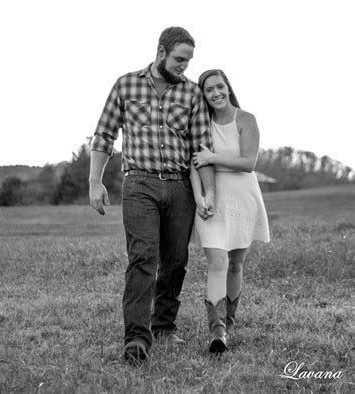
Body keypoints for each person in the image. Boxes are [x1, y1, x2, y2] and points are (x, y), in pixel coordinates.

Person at [89, 27, 215, 365]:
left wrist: (208, 192)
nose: (183, 66)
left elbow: (202, 147)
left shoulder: (191, 94)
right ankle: (136, 339)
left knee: (175, 262)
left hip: (180, 188)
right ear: (161, 51)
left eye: (188, 61)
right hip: (139, 185)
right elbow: (104, 133)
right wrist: (94, 182)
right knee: (143, 257)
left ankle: (163, 326)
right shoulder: (126, 84)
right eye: (179, 59)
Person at [189, 69, 270, 354]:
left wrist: (213, 157)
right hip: (212, 200)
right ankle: (217, 331)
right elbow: (194, 163)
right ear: (203, 95)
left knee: (235, 263)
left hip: (243, 198)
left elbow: (248, 162)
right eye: (209, 90)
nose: (216, 93)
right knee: (216, 262)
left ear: (228, 87)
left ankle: (230, 321)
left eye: (219, 87)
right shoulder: (201, 123)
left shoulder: (246, 119)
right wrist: (199, 197)